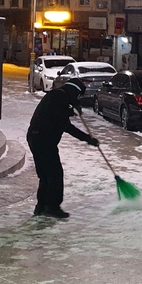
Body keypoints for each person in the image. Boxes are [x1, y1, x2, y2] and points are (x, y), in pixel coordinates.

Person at [26, 78, 98, 219]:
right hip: (43, 140)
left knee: (46, 175)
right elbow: (56, 113)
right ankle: (52, 207)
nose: (78, 99)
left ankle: (41, 206)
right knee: (55, 174)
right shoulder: (58, 96)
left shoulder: (61, 99)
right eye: (78, 96)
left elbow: (68, 127)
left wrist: (88, 139)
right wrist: (72, 110)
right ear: (74, 91)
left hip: (37, 139)